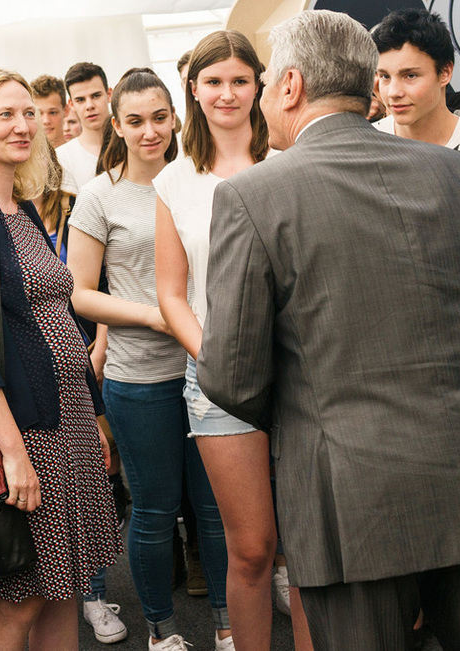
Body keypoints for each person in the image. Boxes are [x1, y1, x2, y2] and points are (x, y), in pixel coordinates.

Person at [198, 10, 460, 650]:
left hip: (348, 503)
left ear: (288, 87)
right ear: (369, 86)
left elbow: (232, 374)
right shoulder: (457, 172)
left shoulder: (252, 198)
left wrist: (313, 412)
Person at [0, 67, 120, 651]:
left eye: (28, 113)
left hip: (70, 423)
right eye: (4, 114)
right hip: (26, 432)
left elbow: (55, 316)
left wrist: (97, 417)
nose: (22, 125)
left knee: (64, 585)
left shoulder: (22, 205)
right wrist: (13, 454)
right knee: (21, 598)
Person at [67, 67, 230, 651]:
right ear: (116, 124)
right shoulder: (99, 195)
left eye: (160, 118)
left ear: (176, 118)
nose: (149, 131)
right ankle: (161, 631)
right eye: (134, 121)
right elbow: (79, 292)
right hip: (140, 378)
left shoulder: (198, 180)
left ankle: (227, 623)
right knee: (156, 511)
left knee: (214, 512)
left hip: (209, 371)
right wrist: (154, 315)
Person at [155, 29, 305, 651]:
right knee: (250, 550)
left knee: (306, 551)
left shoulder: (291, 163)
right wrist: (216, 358)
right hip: (216, 378)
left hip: (302, 371)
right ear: (193, 89)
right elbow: (170, 292)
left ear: (260, 86)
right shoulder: (175, 180)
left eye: (240, 80)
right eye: (214, 81)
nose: (227, 93)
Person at [372, 9, 460, 231]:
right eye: (385, 76)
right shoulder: (367, 144)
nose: (393, 92)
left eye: (410, 75)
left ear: (445, 72)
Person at [56, 62, 111, 194]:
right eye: (80, 100)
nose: (89, 105)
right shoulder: (62, 158)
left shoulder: (131, 144)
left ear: (109, 94)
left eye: (96, 96)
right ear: (71, 104)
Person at [31, 75, 69, 150]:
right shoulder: (23, 158)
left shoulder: (78, 157)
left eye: (53, 112)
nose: (46, 121)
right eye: (39, 113)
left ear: (66, 110)